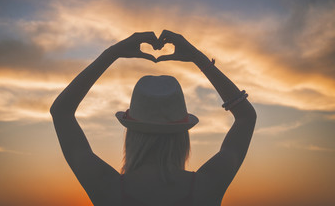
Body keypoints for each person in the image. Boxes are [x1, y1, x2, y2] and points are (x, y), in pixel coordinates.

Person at [50, 30, 257, 206]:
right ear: (182, 134)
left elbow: (61, 112)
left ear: (130, 134)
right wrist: (198, 58)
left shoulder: (108, 189)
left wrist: (112, 54)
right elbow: (246, 117)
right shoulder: (206, 186)